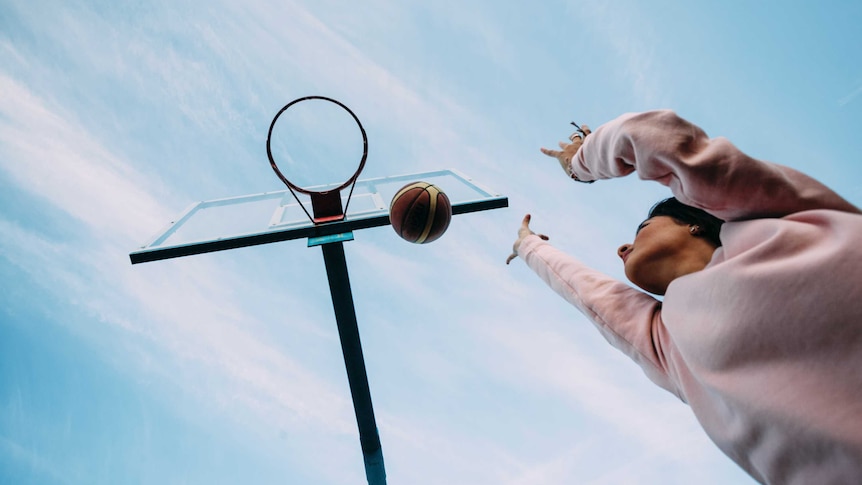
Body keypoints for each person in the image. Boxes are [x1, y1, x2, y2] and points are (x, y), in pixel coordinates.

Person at [506, 110, 862, 484]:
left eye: (643, 227)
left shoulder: (772, 217)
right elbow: (590, 293)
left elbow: (649, 135)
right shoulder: (670, 344)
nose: (623, 245)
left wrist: (582, 162)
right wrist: (530, 246)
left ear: (695, 219)